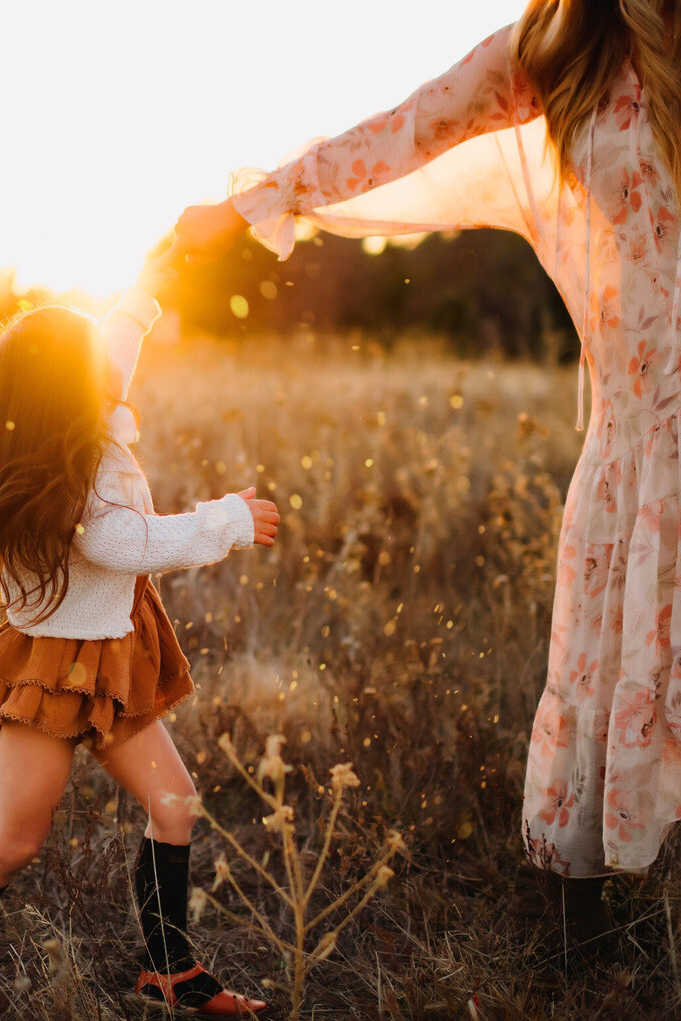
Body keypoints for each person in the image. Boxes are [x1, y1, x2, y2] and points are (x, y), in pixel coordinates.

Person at [172, 1, 680, 952]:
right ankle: (582, 938)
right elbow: (409, 127)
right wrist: (258, 201)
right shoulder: (560, 53)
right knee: (609, 668)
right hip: (649, 433)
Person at [0, 248, 280, 1017]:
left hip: (110, 650)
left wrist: (145, 296)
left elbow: (113, 351)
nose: (113, 378)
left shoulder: (75, 414)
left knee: (175, 803)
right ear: (65, 392)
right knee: (15, 839)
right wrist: (228, 519)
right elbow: (125, 543)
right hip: (53, 664)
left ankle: (170, 971)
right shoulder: (74, 468)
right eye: (95, 370)